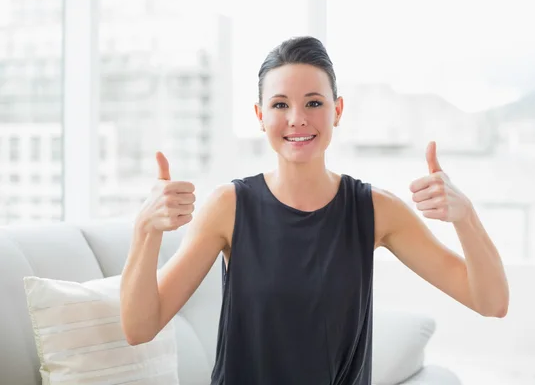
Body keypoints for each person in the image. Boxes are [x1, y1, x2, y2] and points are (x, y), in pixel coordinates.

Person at [119, 36, 510, 385]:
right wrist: (146, 229)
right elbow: (139, 327)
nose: (297, 119)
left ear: (337, 110)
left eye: (314, 103)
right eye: (279, 104)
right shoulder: (229, 207)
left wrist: (465, 216)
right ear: (260, 116)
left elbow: (490, 301)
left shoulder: (375, 210)